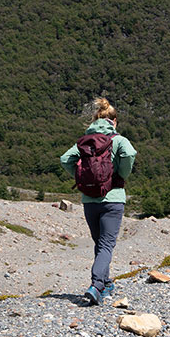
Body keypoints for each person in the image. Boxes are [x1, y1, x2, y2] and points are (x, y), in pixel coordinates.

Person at [60, 97, 137, 305]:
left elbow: (65, 158)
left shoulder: (85, 141)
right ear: (113, 121)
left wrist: (81, 178)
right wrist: (121, 173)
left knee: (100, 244)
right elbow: (129, 154)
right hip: (113, 199)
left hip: (89, 200)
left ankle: (105, 283)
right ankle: (96, 286)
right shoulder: (118, 140)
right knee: (106, 245)